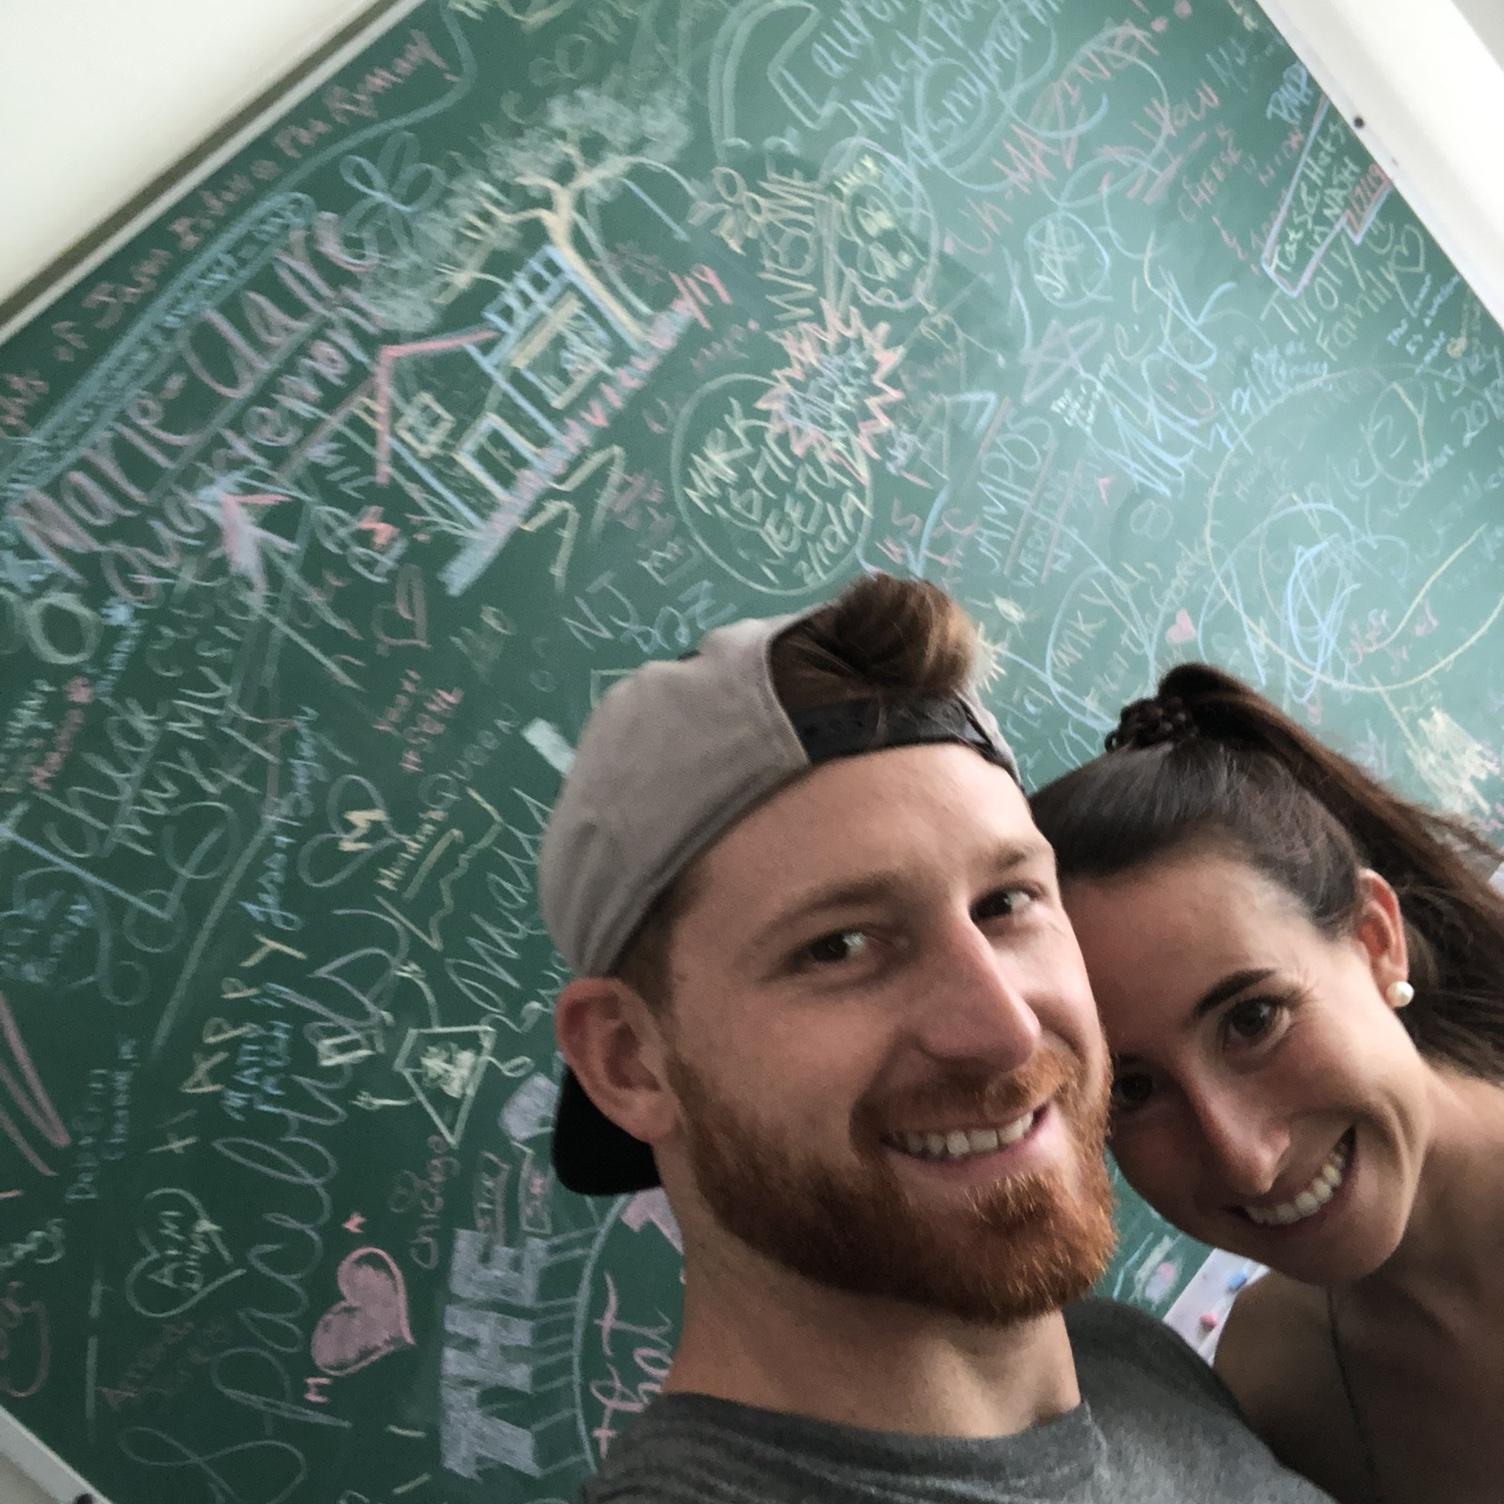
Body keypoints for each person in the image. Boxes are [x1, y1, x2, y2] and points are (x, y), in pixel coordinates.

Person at [541, 575, 1334, 1503]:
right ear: (629, 1062)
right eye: (840, 946)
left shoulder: (1132, 1362)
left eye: (1007, 902)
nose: (1005, 1030)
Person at [1030, 663, 1504, 1504]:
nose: (1243, 1160)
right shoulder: (1277, 1385)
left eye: (1253, 1020)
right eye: (1131, 1090)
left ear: (1376, 941)